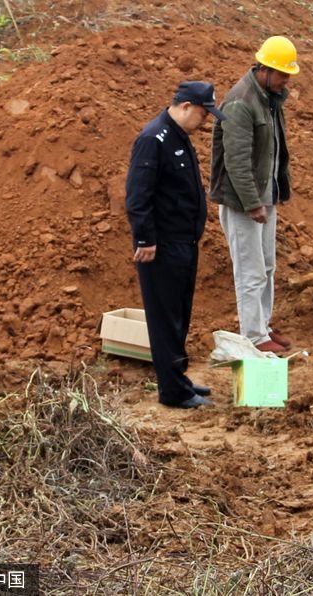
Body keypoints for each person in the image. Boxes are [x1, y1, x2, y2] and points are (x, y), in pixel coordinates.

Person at [125, 81, 226, 409]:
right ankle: (172, 392)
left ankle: (178, 379)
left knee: (179, 313)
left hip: (183, 243)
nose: (205, 120)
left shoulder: (178, 136)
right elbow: (138, 195)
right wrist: (145, 239)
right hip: (163, 246)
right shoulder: (153, 139)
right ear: (185, 106)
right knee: (165, 318)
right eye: (202, 113)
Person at [209, 35, 299, 354]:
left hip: (265, 197)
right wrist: (252, 203)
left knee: (268, 266)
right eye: (282, 74)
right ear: (264, 69)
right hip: (243, 203)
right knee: (250, 270)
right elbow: (236, 160)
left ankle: (263, 326)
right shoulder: (241, 102)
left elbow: (273, 152)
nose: (286, 80)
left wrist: (273, 194)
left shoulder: (269, 99)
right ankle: (252, 334)